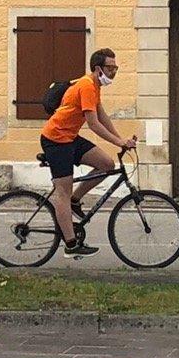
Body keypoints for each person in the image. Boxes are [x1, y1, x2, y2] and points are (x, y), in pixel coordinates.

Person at [39, 48, 135, 257]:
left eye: (116, 68)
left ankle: (75, 200)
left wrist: (121, 141)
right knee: (62, 192)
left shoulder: (94, 86)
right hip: (55, 139)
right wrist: (118, 141)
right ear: (98, 68)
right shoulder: (86, 86)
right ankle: (71, 244)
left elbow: (102, 116)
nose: (114, 72)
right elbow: (93, 124)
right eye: (110, 68)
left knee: (106, 164)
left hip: (70, 137)